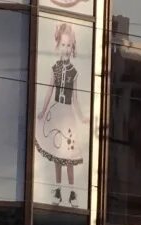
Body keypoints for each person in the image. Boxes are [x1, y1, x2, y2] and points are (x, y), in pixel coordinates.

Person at [35, 21, 86, 208]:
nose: (65, 48)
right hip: (56, 112)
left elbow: (76, 98)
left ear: (73, 47)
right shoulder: (55, 68)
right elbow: (49, 91)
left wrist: (81, 117)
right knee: (57, 152)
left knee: (69, 155)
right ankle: (57, 189)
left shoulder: (74, 72)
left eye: (68, 45)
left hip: (68, 115)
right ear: (58, 46)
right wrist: (42, 110)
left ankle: (72, 192)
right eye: (63, 45)